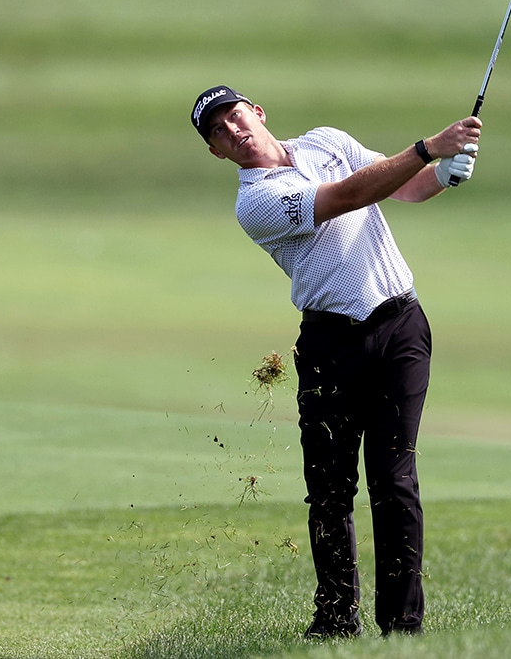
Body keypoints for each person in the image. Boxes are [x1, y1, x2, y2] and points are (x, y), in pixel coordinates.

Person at [190, 85, 480, 639]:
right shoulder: (256, 203)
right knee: (330, 490)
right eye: (218, 132)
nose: (233, 131)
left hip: (400, 325)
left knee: (395, 480)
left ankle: (403, 628)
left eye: (235, 116)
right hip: (331, 346)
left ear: (257, 112)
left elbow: (402, 185)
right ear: (216, 152)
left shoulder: (327, 140)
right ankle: (335, 622)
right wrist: (429, 148)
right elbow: (346, 196)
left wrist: (441, 175)